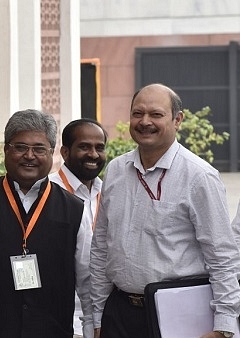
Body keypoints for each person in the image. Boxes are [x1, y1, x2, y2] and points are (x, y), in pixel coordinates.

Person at [90, 83, 240, 338]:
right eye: (137, 113)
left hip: (178, 316)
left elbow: (222, 256)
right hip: (119, 314)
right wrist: (96, 316)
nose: (144, 122)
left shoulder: (199, 177)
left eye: (156, 115)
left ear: (177, 120)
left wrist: (224, 325)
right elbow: (101, 246)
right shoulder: (116, 170)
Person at [0, 109, 93, 338]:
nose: (29, 156)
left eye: (39, 149)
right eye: (20, 147)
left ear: (52, 153)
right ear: (6, 149)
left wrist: (90, 330)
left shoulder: (75, 210)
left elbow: (88, 283)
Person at [49, 118, 107, 338]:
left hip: (102, 316)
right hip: (62, 319)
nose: (93, 154)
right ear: (64, 152)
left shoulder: (109, 192)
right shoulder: (49, 193)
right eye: (84, 147)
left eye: (99, 148)